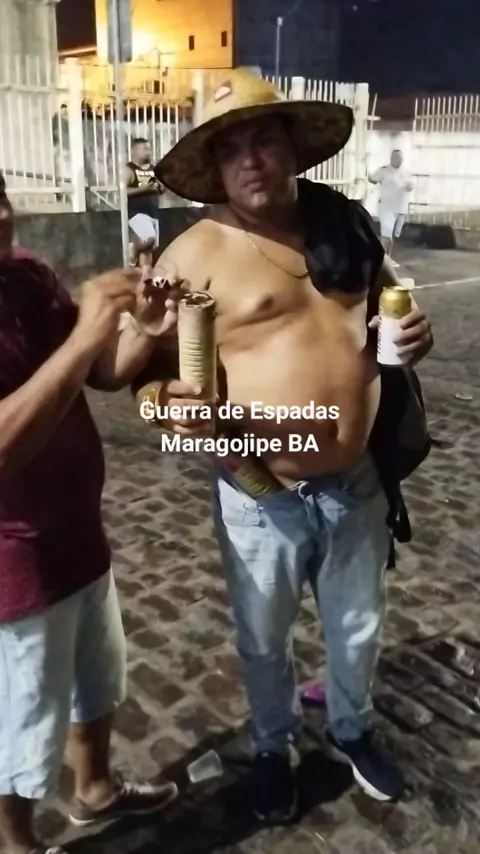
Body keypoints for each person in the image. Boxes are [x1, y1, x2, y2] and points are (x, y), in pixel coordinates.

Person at [132, 69, 433, 824]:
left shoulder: (345, 223)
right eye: (230, 150)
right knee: (264, 641)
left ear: (293, 146)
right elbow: (141, 377)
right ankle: (273, 747)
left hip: (357, 480)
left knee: (358, 629)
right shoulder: (192, 254)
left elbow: (392, 299)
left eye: (264, 139)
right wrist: (168, 407)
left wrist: (412, 329)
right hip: (258, 491)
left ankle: (353, 729)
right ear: (214, 169)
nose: (251, 160)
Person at [0, 171, 180, 854]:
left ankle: (96, 790)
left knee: (96, 680)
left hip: (79, 532)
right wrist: (84, 339)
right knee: (20, 723)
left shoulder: (27, 274)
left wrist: (144, 330)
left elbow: (100, 371)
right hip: (15, 563)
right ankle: (16, 843)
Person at [369, 149, 414, 264]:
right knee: (386, 234)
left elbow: (410, 186)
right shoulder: (384, 171)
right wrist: (366, 168)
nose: (398, 160)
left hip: (400, 208)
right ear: (391, 158)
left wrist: (409, 187)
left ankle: (387, 257)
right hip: (386, 207)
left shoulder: (406, 172)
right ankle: (382, 260)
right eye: (396, 157)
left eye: (400, 158)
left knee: (393, 235)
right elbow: (373, 179)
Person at [126, 138, 165, 268]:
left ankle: (145, 274)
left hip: (153, 212)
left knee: (149, 249)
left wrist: (162, 186)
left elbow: (161, 190)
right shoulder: (129, 169)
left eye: (149, 149)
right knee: (149, 237)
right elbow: (123, 191)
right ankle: (133, 248)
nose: (148, 152)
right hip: (137, 212)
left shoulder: (154, 170)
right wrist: (145, 188)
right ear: (135, 150)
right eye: (145, 149)